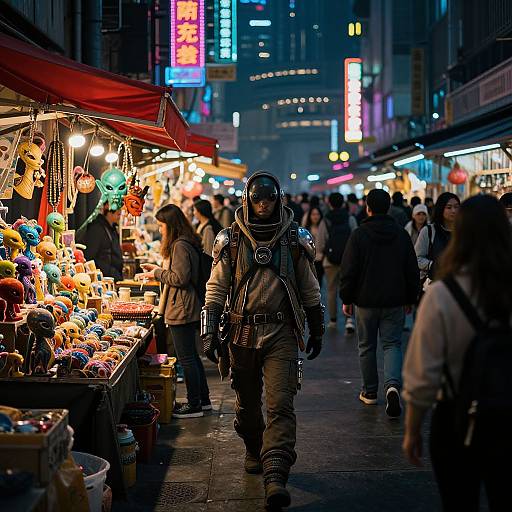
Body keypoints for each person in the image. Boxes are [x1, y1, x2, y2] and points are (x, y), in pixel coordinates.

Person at [200, 172, 324, 510]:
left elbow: (310, 288)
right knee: (247, 406)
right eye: (258, 200)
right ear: (248, 202)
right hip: (241, 334)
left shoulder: (295, 240)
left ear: (278, 200)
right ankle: (254, 449)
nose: (264, 205)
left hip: (282, 333)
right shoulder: (231, 240)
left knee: (281, 404)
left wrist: (317, 325)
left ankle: (275, 477)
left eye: (269, 199)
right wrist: (210, 331)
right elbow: (216, 288)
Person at [402, 194, 512, 511]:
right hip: (509, 412)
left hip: (455, 418)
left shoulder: (440, 295)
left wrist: (412, 431)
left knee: (459, 502)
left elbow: (423, 375)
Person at [339, 189, 420, 417]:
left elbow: (349, 270)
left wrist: (347, 298)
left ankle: (370, 392)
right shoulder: (401, 234)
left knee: (367, 346)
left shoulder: (359, 235)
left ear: (368, 208)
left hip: (365, 301)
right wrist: (410, 297)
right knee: (392, 344)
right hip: (395, 299)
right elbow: (411, 269)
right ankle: (393, 386)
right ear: (389, 207)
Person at [137, 204, 211, 419]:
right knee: (192, 357)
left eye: (161, 226)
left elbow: (180, 278)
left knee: (186, 358)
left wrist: (158, 273)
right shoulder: (186, 243)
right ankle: (203, 400)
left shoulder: (180, 246)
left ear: (171, 225)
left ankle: (194, 404)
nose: (160, 230)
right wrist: (157, 272)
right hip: (187, 306)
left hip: (183, 307)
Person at [316, 192, 357, 331]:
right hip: (348, 261)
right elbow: (355, 238)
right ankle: (349, 319)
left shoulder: (326, 220)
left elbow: (320, 242)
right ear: (343, 202)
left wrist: (321, 256)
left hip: (330, 261)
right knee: (348, 289)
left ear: (330, 203)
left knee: (331, 290)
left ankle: (333, 320)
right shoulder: (349, 218)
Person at [415, 192, 460, 287]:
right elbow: (417, 258)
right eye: (449, 207)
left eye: (456, 207)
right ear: (441, 209)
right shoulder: (429, 231)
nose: (454, 211)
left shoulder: (464, 230)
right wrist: (433, 265)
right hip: (434, 284)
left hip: (459, 283)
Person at [82, 203, 123, 281]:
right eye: (118, 213)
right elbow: (90, 256)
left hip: (112, 277)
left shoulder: (112, 228)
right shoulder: (96, 229)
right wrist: (112, 272)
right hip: (104, 278)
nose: (120, 213)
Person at [302, 206, 325, 286]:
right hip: (307, 259)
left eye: (317, 214)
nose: (315, 216)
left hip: (319, 259)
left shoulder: (323, 227)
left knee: (319, 282)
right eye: (313, 214)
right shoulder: (306, 229)